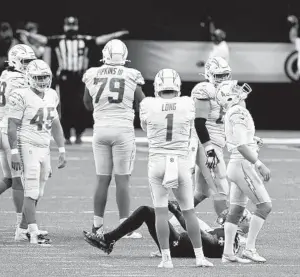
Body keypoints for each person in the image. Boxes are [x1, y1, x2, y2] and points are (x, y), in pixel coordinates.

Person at [0, 44, 49, 241]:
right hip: (12, 130)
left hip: (4, 128)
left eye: (31, 61)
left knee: (9, 178)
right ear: (15, 61)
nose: (29, 65)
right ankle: (21, 227)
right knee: (20, 180)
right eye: (25, 62)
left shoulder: (6, 75)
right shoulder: (17, 79)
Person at [138, 68, 213, 268]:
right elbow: (191, 124)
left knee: (161, 212)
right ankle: (199, 257)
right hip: (180, 161)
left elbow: (145, 126)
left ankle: (166, 259)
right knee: (188, 211)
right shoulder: (187, 103)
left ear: (157, 87)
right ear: (177, 86)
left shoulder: (148, 104)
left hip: (158, 162)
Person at [18, 16, 129, 144]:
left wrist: (116, 35)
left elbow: (100, 40)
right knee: (65, 107)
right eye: (69, 25)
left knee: (80, 106)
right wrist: (28, 34)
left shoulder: (84, 40)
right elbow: (43, 40)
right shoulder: (59, 40)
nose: (71, 28)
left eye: (73, 25)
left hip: (80, 77)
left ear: (77, 26)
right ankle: (66, 135)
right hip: (65, 77)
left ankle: (78, 133)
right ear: (65, 27)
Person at [82, 39, 145, 239]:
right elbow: (142, 101)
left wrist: (102, 111)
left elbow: (87, 102)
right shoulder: (131, 74)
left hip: (100, 130)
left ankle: (97, 226)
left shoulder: (92, 73)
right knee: (122, 180)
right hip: (123, 130)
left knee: (102, 179)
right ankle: (125, 228)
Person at [7, 59, 66, 244]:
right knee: (31, 191)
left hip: (44, 147)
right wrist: (15, 152)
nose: (42, 81)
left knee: (38, 192)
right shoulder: (20, 95)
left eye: (45, 77)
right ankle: (33, 233)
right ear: (30, 78)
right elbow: (12, 126)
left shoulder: (51, 95)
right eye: (38, 77)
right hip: (28, 145)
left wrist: (62, 149)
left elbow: (55, 123)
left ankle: (22, 230)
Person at [216, 80, 272, 263]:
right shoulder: (238, 111)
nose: (238, 90)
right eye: (234, 89)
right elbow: (240, 145)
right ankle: (250, 248)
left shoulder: (233, 112)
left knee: (236, 210)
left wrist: (252, 139)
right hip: (242, 165)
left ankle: (228, 253)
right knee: (264, 206)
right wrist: (259, 163)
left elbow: (239, 139)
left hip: (236, 164)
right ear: (230, 97)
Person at [84, 201, 241, 259]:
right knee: (147, 212)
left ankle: (108, 240)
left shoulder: (228, 241)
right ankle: (108, 239)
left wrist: (176, 211)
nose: (226, 218)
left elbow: (201, 236)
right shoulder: (229, 238)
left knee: (146, 211)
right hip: (177, 241)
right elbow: (199, 227)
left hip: (176, 244)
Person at [191, 56, 232, 222]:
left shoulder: (229, 90)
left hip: (215, 142)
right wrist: (209, 150)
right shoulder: (205, 89)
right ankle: (228, 228)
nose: (222, 79)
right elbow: (199, 124)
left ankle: (170, 216)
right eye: (218, 75)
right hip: (205, 143)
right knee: (221, 184)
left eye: (225, 75)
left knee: (201, 192)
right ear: (209, 74)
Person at [288, 15, 300, 81]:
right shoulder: (294, 29)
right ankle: (297, 74)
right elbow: (292, 38)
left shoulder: (296, 28)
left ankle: (297, 74)